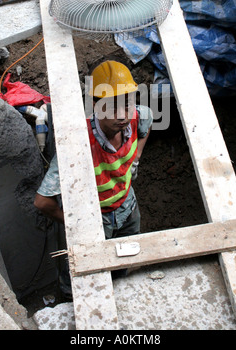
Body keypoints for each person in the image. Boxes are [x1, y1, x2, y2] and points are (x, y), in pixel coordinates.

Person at [34, 60, 153, 298]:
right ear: (96, 105)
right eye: (111, 107)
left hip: (128, 208)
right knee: (81, 274)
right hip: (95, 218)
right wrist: (77, 224)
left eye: (126, 104)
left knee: (123, 261)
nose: (121, 115)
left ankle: (118, 293)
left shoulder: (136, 116)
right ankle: (72, 300)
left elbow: (147, 120)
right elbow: (42, 202)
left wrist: (136, 155)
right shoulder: (79, 144)